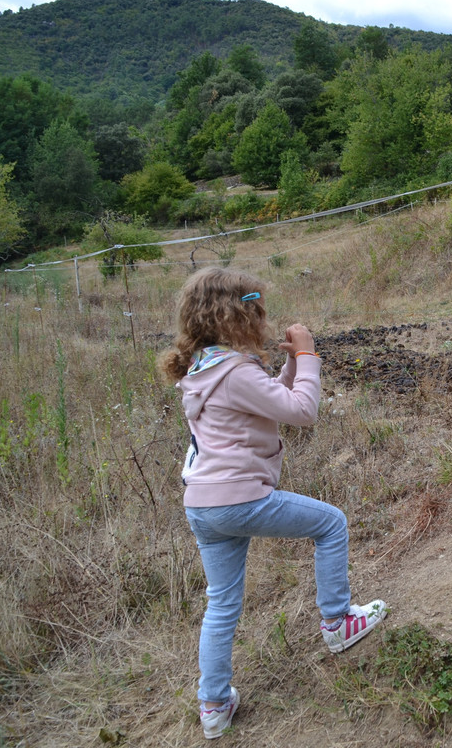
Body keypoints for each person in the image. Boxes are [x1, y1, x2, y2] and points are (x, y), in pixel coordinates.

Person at [159, 267, 386, 740]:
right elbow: (302, 411)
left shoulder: (205, 366)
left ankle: (214, 706)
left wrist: (289, 369)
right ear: (240, 313)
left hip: (202, 505)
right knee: (331, 524)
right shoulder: (235, 370)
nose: (263, 318)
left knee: (220, 604)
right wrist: (307, 355)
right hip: (239, 499)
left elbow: (269, 399)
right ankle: (337, 622)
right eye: (257, 309)